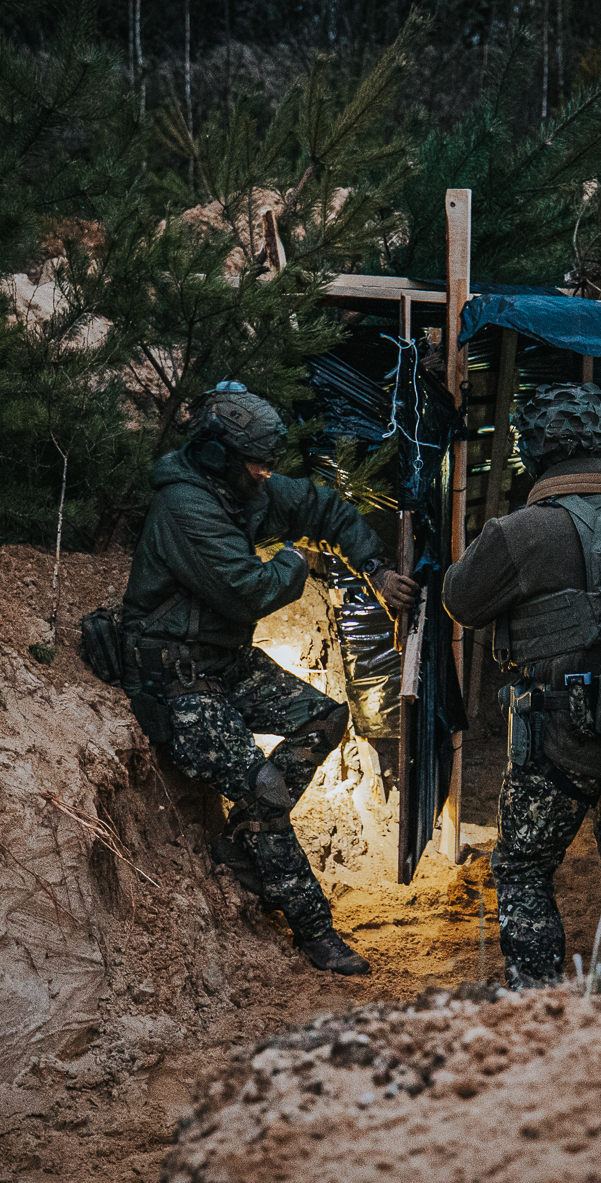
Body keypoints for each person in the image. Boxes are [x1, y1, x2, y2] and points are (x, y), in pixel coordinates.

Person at [120, 382, 418, 976]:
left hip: (224, 663)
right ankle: (315, 931)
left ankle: (241, 842)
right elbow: (249, 591)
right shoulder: (185, 506)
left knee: (325, 717)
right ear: (216, 455)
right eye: (255, 463)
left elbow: (326, 508)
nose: (264, 474)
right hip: (177, 678)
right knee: (266, 788)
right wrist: (296, 558)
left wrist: (376, 569)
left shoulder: (241, 487)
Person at [443, 383, 601, 987]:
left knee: (523, 868)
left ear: (533, 451)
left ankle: (537, 1003)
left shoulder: (523, 531)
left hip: (561, 740)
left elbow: (461, 601)